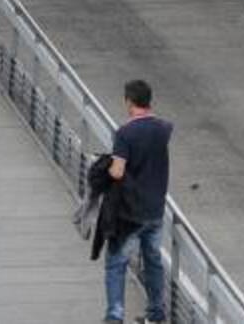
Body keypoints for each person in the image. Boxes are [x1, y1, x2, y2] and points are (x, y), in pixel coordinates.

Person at [104, 80, 173, 324]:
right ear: (148, 100)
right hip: (155, 210)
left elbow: (118, 171)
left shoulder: (125, 133)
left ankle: (115, 316)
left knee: (116, 262)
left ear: (129, 101)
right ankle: (156, 315)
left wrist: (105, 166)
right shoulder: (164, 128)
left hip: (130, 213)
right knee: (153, 261)